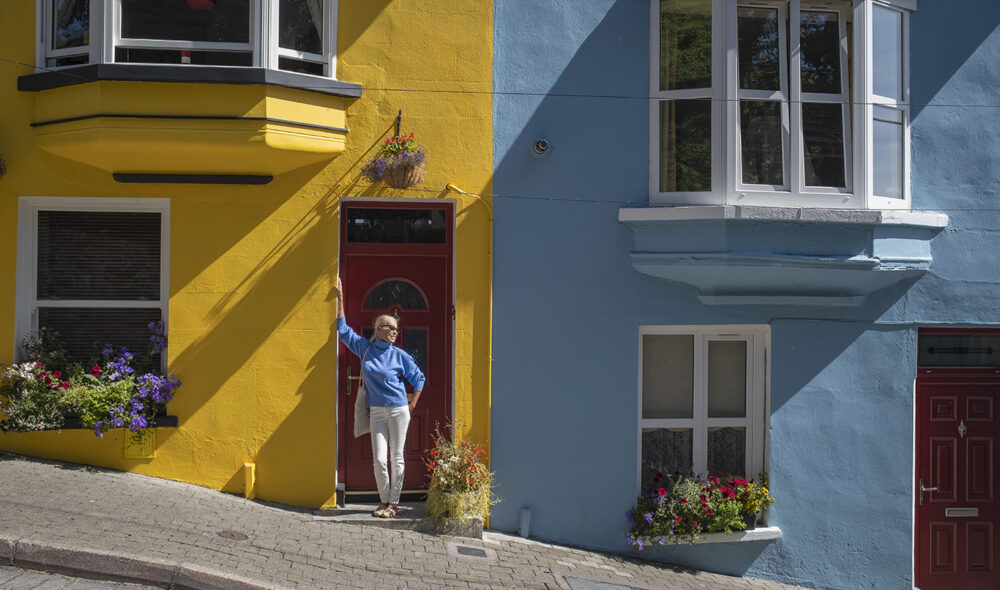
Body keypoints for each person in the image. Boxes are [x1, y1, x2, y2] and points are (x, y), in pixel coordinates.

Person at [335, 276, 424, 518]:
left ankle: (393, 504)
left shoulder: (399, 355)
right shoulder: (365, 348)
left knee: (397, 457)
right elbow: (343, 331)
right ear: (378, 329)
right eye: (390, 327)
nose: (395, 331)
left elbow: (419, 378)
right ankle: (383, 500)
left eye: (396, 328)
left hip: (398, 411)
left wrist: (412, 404)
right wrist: (341, 298)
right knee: (379, 459)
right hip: (376, 411)